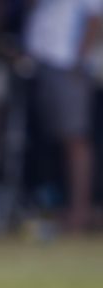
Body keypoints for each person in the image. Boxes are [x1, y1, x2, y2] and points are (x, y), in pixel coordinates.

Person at [25, 0, 103, 231]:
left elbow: (94, 18)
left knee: (75, 138)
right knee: (54, 138)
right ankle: (62, 205)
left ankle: (80, 211)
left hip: (68, 62)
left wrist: (79, 60)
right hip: (43, 60)